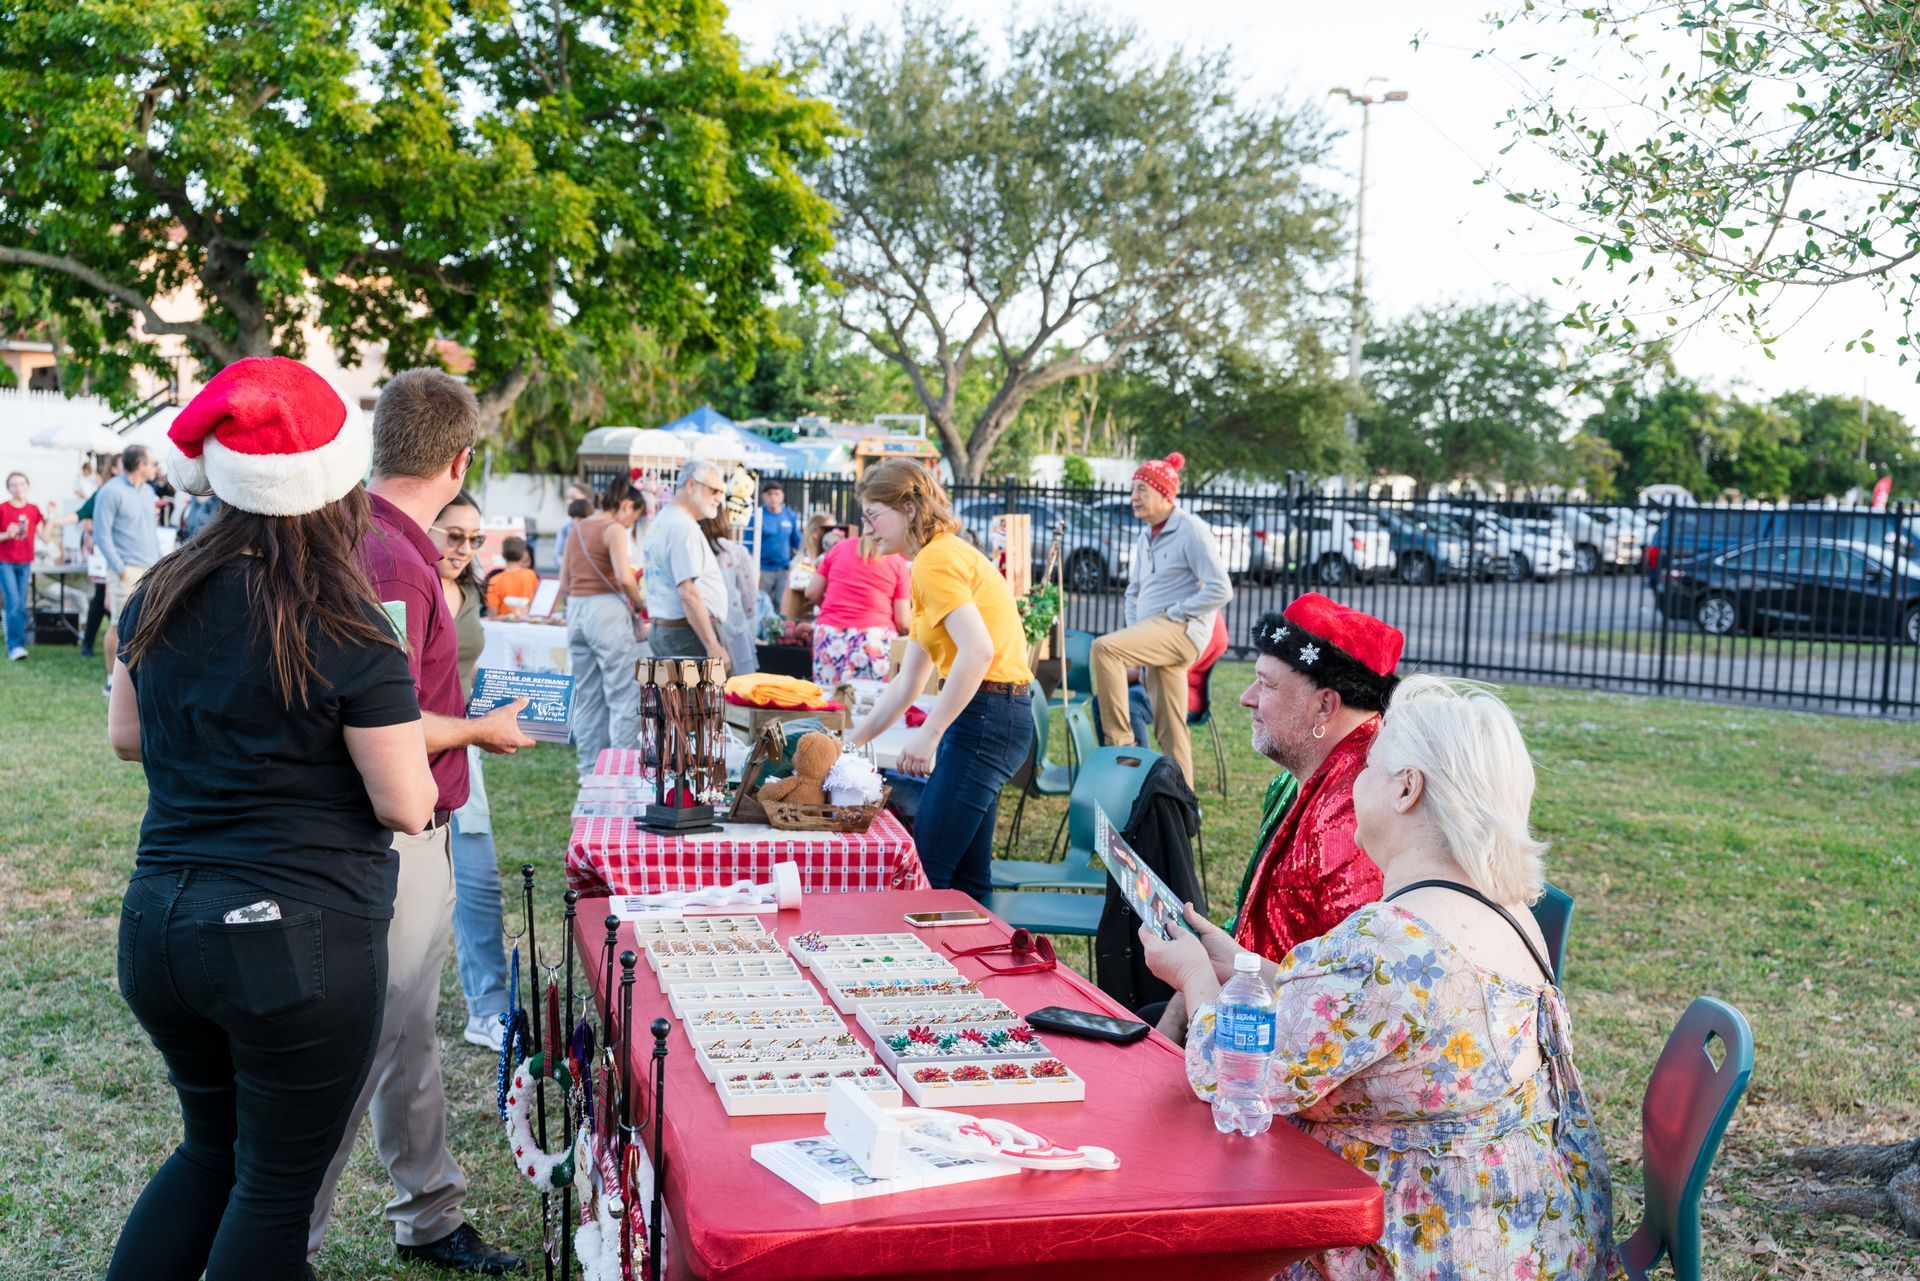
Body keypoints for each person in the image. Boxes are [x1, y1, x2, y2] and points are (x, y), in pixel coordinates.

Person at [105, 356, 438, 1280]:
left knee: (210, 1151)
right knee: (276, 1184)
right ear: (335, 484)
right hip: (293, 936)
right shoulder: (350, 621)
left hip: (161, 920)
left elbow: (126, 735)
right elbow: (407, 802)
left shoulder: (159, 591)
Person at [1140, 676, 1621, 1281]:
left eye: (1368, 766)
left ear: (1407, 789)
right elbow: (1386, 1023)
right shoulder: (1503, 908)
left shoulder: (1392, 944)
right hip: (1522, 1227)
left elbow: (1230, 1073)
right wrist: (1244, 967)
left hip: (1422, 1245)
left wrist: (1191, 973)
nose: (1354, 781)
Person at [306, 366, 528, 1275]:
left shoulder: (365, 533)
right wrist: (479, 727)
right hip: (390, 832)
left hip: (398, 828)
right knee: (366, 1043)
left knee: (409, 1033)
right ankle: (282, 1238)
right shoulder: (394, 557)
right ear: (460, 458)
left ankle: (428, 1211)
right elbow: (381, 719)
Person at [847, 460, 1034, 898]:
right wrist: (850, 743)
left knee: (925, 872)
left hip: (988, 717)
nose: (867, 530)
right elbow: (907, 682)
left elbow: (978, 651)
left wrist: (930, 734)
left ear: (909, 509)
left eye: (873, 515)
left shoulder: (934, 561)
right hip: (989, 716)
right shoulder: (934, 558)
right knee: (966, 880)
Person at [1089, 451, 1231, 788]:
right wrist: (1137, 632)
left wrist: (1178, 612)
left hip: (1180, 631)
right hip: (1154, 636)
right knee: (1171, 730)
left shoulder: (1190, 529)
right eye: (1132, 489)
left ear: (1165, 494)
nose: (1133, 497)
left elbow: (1221, 589)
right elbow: (1133, 591)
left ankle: (1121, 746)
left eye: (1142, 489)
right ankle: (1185, 804)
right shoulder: (1145, 536)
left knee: (1104, 649)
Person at [431, 492, 514, 1052]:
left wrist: (498, 710)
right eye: (454, 535)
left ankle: (487, 1007)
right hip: (408, 749)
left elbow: (468, 666)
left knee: (479, 879)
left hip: (463, 748)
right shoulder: (407, 584)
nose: (464, 548)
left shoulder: (468, 591)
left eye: (475, 539)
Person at [554, 474, 647, 777]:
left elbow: (565, 582)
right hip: (607, 611)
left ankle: (589, 773)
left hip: (577, 610)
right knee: (623, 696)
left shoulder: (577, 528)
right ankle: (620, 772)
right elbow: (624, 577)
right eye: (634, 517)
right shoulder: (613, 528)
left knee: (589, 698)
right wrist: (640, 604)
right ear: (627, 505)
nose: (631, 524)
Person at [642, 459, 730, 663]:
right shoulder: (682, 526)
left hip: (672, 629)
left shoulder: (666, 519)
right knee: (702, 686)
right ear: (691, 485)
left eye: (721, 492)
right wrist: (712, 645)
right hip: (686, 633)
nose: (719, 498)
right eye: (714, 490)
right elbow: (688, 592)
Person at [93, 444, 164, 694]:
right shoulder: (110, 491)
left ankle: (137, 677)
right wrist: (120, 568)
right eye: (153, 463)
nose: (156, 468)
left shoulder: (148, 491)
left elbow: (150, 531)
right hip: (126, 569)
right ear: (140, 465)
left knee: (146, 624)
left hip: (150, 568)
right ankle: (111, 680)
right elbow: (101, 535)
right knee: (118, 625)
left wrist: (160, 564)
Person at [805, 530, 911, 685]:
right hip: (874, 638)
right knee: (871, 697)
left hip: (830, 634)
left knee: (828, 696)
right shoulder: (897, 561)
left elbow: (812, 592)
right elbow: (903, 621)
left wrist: (831, 607)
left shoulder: (839, 548)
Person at [700, 509, 762, 675]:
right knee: (737, 684)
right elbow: (749, 597)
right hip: (734, 626)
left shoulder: (692, 548)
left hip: (699, 626)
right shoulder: (735, 551)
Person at [2, 471, 50, 660]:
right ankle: (15, 646)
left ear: (28, 486)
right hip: (5, 562)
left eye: (22, 484)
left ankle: (18, 643)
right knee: (13, 603)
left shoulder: (33, 509)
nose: (18, 488)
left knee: (20, 604)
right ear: (8, 488)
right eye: (14, 484)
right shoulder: (3, 509)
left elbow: (45, 537)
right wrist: (7, 534)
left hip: (25, 563)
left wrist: (51, 516)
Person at [757, 480, 802, 610]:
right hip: (763, 570)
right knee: (762, 605)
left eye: (776, 494)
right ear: (763, 497)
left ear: (782, 496)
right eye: (769, 494)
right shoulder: (758, 515)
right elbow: (750, 546)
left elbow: (798, 542)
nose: (773, 497)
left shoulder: (789, 515)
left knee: (783, 605)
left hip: (784, 569)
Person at [485, 535, 539, 616]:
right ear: (523, 555)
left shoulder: (495, 580)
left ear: (503, 555)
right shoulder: (531, 575)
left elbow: (492, 614)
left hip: (503, 622)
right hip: (527, 620)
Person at [552, 481, 593, 571]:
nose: (568, 502)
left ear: (588, 500)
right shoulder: (564, 529)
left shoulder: (598, 526)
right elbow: (557, 556)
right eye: (567, 498)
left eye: (573, 498)